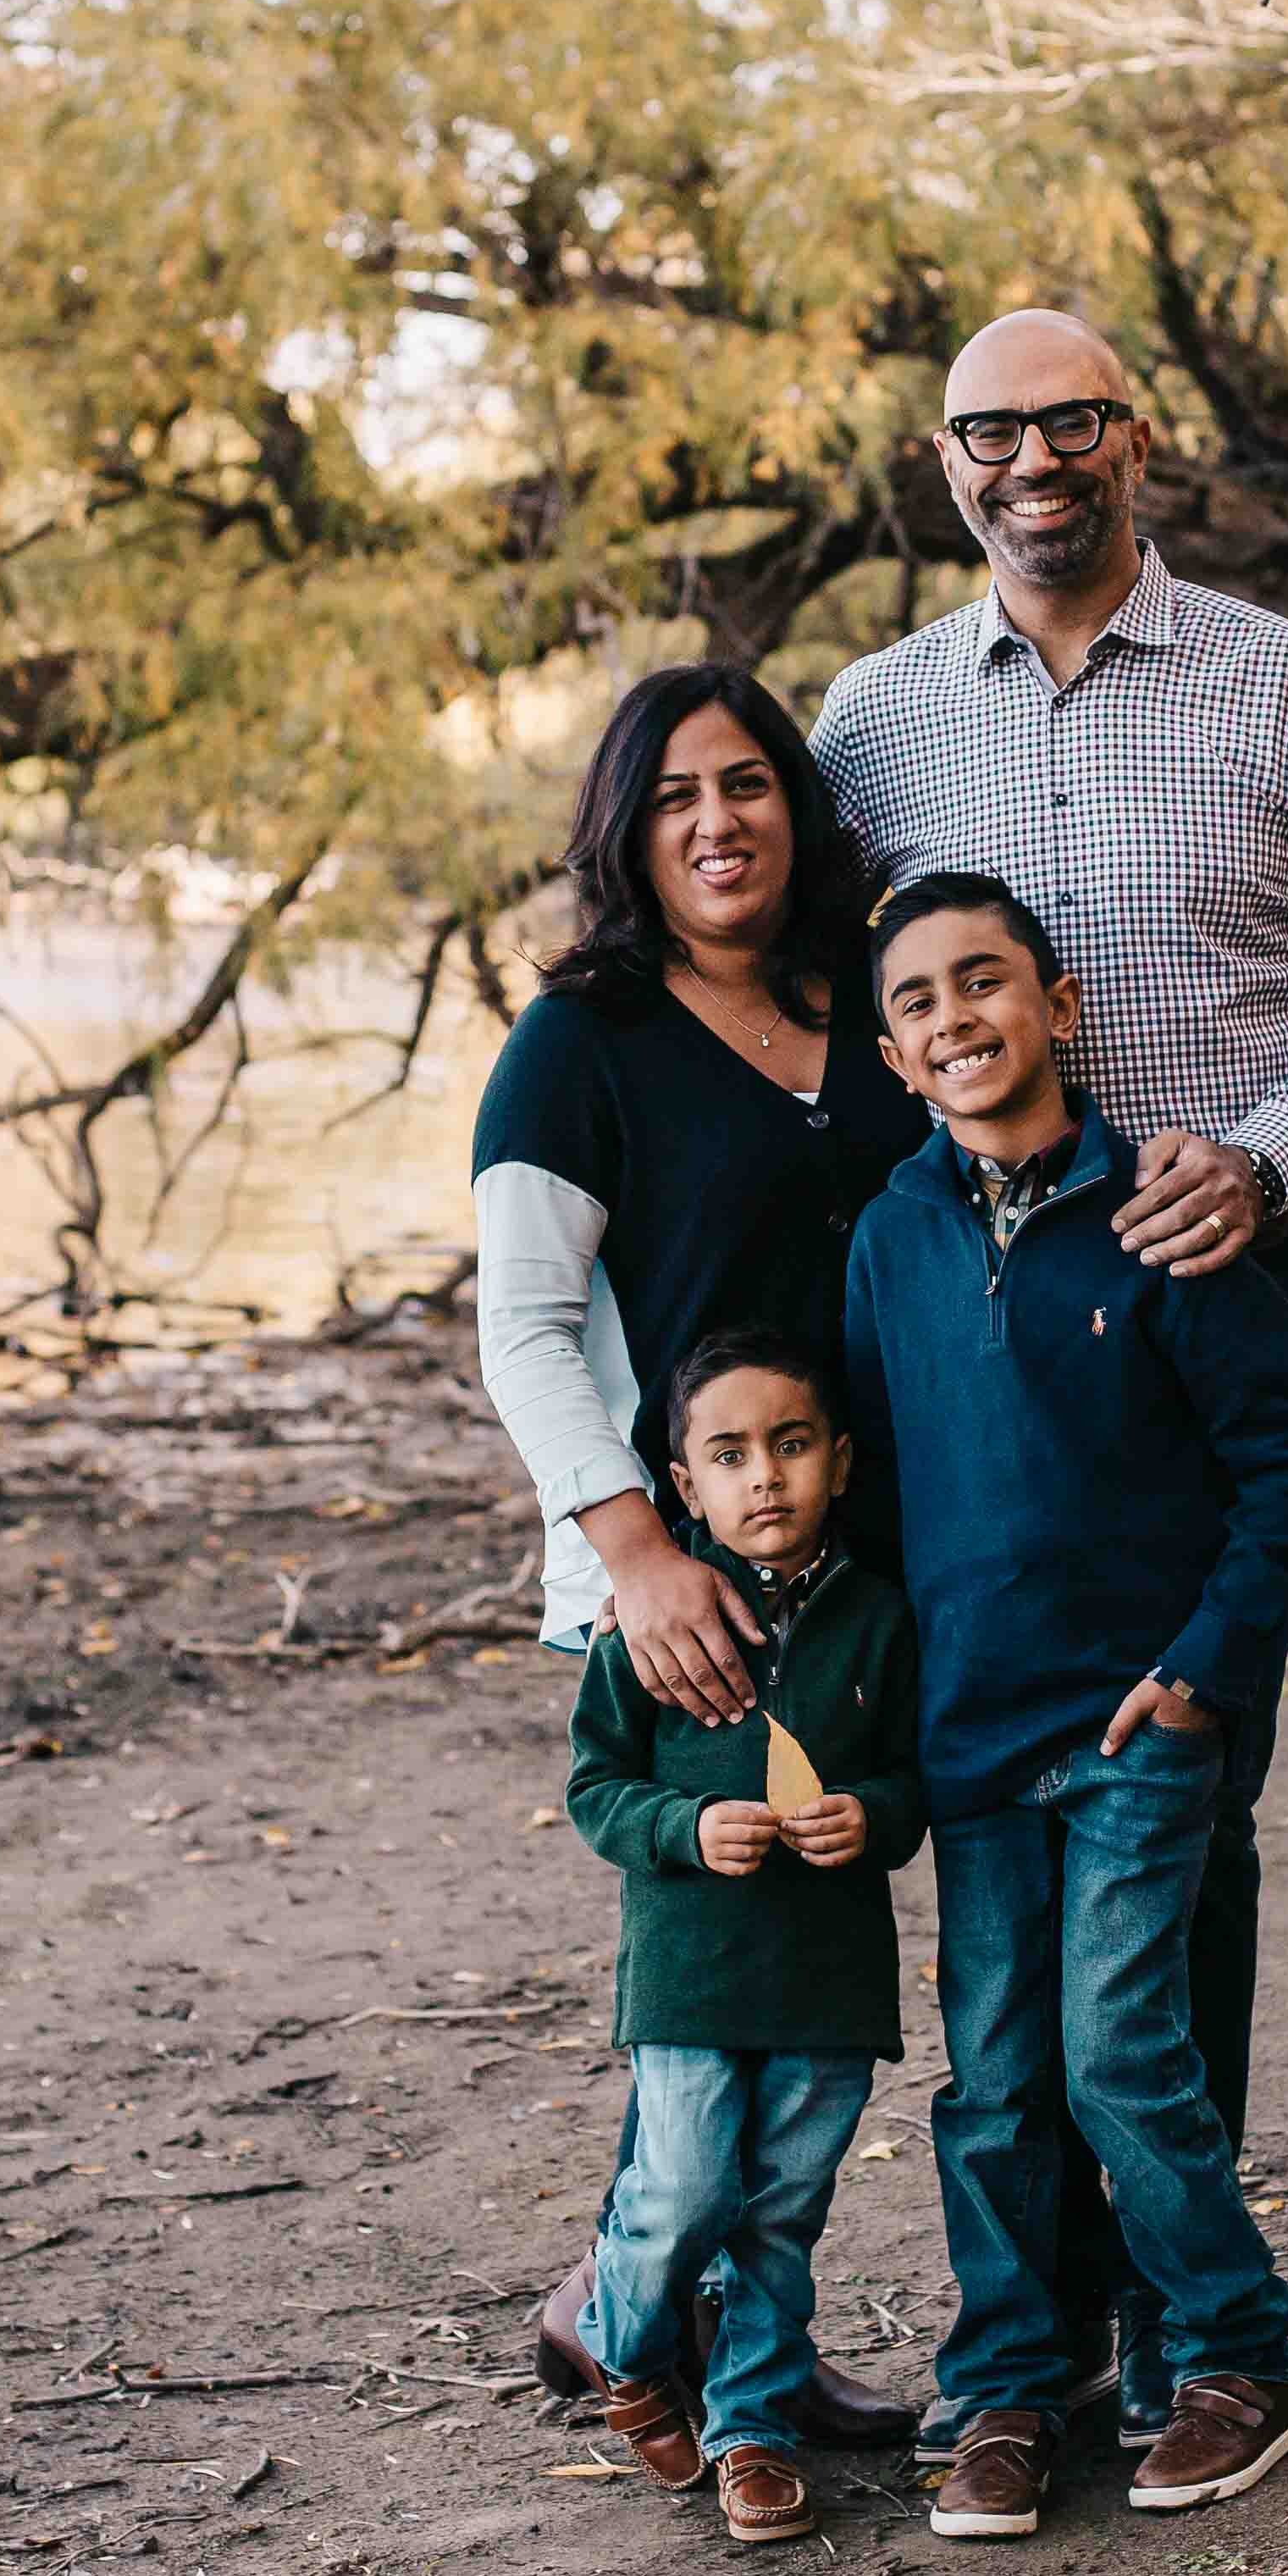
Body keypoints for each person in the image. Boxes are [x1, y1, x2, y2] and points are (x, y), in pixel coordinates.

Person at [810, 307, 1288, 2444]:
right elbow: (820, 1007)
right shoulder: (876, 721)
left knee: (1186, 1777)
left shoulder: (1280, 681)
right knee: (1016, 1810)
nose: (1033, 460)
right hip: (993, 1306)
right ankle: (1044, 2341)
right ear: (945, 461)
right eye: (992, 431)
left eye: (1071, 420)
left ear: (1135, 439)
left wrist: (1265, 1163)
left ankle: (1195, 2336)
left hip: (1231, 1287)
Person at [473, 661, 934, 2449]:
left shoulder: (863, 1001)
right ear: (627, 833)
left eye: (747, 784)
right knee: (719, 1972)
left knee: (812, 1977)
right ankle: (625, 2311)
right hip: (685, 1592)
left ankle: (735, 2347)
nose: (718, 822)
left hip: (865, 1573)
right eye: (674, 797)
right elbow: (520, 1329)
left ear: (798, 811)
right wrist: (636, 1552)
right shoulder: (582, 1040)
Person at [843, 872, 1288, 2536]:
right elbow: (887, 1488)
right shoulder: (891, 1239)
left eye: (985, 983)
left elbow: (1277, 1462)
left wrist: (1208, 1672)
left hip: (1138, 1724)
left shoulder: (1166, 1209)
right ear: (898, 1056)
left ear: (1064, 1008)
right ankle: (1007, 2385)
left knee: (1124, 2046)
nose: (954, 1017)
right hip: (977, 1735)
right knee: (991, 2079)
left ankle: (1232, 2355)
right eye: (918, 1001)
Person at [560, 1325, 929, 2546]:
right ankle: (621, 2342)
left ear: (842, 1459)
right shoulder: (647, 1631)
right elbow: (597, 1790)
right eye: (729, 1455)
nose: (763, 1476)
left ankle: (754, 2429)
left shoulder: (882, 1618)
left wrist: (867, 1817)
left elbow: (915, 1780)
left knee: (781, 2211)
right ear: (685, 1486)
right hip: (691, 1972)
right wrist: (687, 1824)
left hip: (827, 1979)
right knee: (683, 2187)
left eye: (789, 1445)